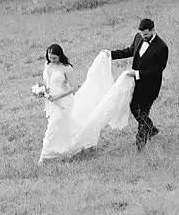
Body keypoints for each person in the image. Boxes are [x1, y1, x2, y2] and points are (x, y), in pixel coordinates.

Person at [36, 42, 134, 163]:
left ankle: (44, 157)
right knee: (62, 127)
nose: (52, 60)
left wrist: (57, 96)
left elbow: (74, 88)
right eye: (50, 57)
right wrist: (42, 91)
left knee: (52, 126)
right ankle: (64, 148)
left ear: (60, 56)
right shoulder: (47, 65)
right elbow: (47, 82)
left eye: (54, 58)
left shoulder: (66, 68)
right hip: (51, 102)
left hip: (63, 103)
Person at [110, 17, 168, 151]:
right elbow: (130, 51)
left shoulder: (162, 47)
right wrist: (110, 55)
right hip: (137, 84)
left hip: (151, 86)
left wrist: (137, 73)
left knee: (143, 111)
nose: (144, 36)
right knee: (134, 107)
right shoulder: (138, 37)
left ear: (153, 30)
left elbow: (157, 70)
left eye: (146, 34)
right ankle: (151, 129)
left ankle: (140, 145)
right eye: (142, 34)